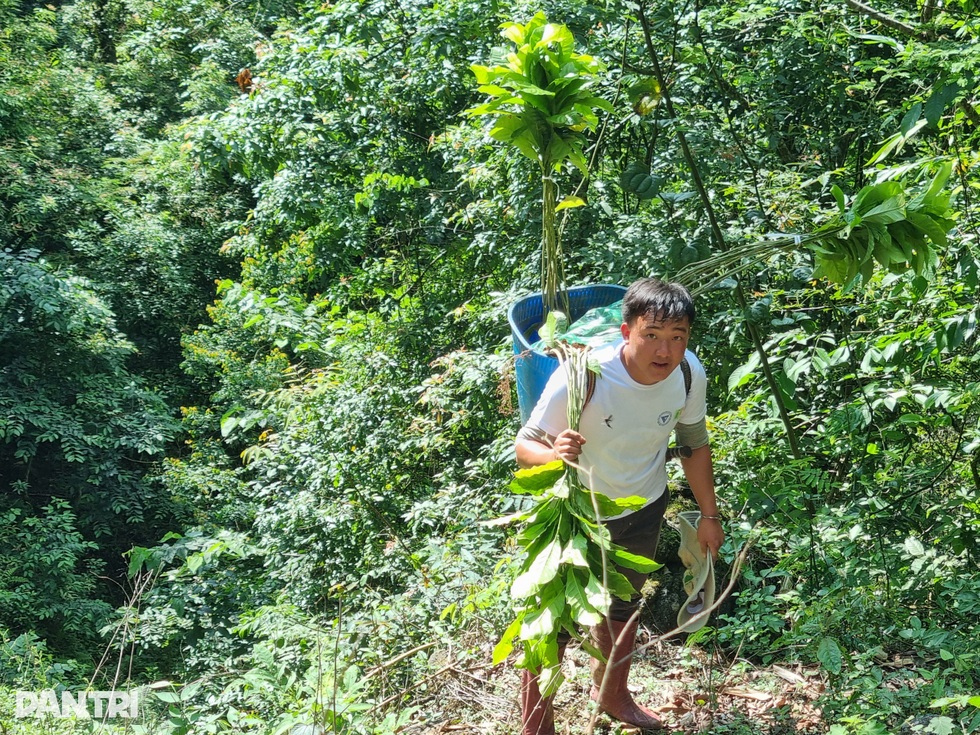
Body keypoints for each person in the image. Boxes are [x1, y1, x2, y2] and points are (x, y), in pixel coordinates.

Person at [514, 278, 724, 734]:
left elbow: (693, 444)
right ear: (627, 332)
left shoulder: (689, 373)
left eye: (677, 338)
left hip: (642, 507)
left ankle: (612, 694)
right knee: (555, 622)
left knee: (622, 605)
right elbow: (525, 447)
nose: (664, 352)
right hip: (577, 517)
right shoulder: (586, 373)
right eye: (652, 335)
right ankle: (536, 723)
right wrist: (556, 455)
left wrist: (710, 516)